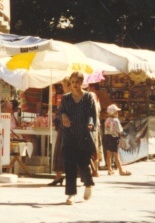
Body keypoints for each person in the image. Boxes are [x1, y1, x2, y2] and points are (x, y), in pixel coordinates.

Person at [58, 71, 98, 205]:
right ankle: (71, 194)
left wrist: (91, 123)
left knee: (84, 165)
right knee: (69, 166)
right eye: (72, 82)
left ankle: (88, 184)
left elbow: (93, 114)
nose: (74, 85)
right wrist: (63, 115)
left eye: (77, 82)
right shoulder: (65, 98)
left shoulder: (88, 97)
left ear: (82, 82)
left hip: (84, 135)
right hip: (69, 135)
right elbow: (61, 111)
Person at [48, 78, 72, 186]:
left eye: (64, 86)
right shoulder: (66, 98)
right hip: (64, 128)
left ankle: (62, 176)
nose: (63, 88)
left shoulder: (71, 98)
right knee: (60, 152)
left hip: (68, 129)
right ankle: (59, 176)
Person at [103, 104, 130, 176]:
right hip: (114, 138)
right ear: (113, 113)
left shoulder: (107, 120)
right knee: (116, 155)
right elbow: (120, 131)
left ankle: (109, 169)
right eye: (116, 112)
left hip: (107, 138)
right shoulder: (116, 120)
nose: (118, 113)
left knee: (108, 154)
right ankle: (121, 170)